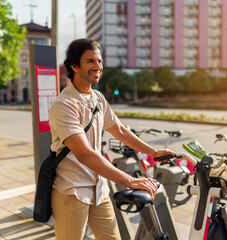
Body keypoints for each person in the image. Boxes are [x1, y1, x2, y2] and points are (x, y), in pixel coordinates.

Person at [49, 38, 175, 240]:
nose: (97, 66)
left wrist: (153, 152)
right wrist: (131, 181)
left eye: (99, 61)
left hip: (99, 189)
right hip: (71, 191)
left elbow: (120, 131)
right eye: (90, 61)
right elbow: (84, 153)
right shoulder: (64, 104)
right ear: (74, 66)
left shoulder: (98, 98)